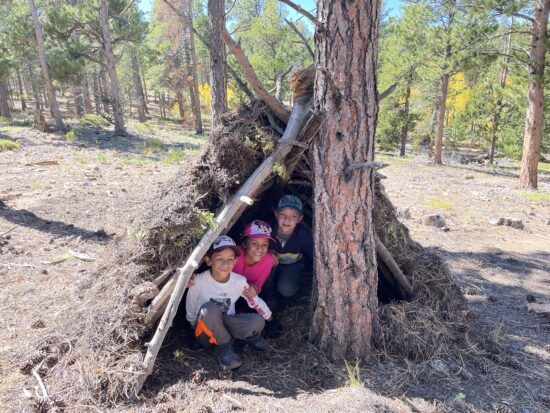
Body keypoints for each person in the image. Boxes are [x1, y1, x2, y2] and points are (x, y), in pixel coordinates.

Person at [185, 235, 272, 370]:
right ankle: (224, 347)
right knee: (210, 309)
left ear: (235, 261)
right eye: (219, 259)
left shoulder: (239, 281)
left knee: (257, 321)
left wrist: (268, 315)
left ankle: (247, 337)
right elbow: (190, 309)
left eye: (230, 259)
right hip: (204, 328)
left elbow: (253, 300)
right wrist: (194, 329)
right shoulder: (198, 281)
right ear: (208, 261)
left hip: (226, 322)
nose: (225, 264)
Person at [263, 194, 313, 337]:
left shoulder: (303, 235)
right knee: (266, 283)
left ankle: (286, 299)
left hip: (292, 266)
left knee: (286, 289)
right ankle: (269, 299)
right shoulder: (267, 228)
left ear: (300, 219)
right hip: (270, 266)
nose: (287, 220)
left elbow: (313, 256)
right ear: (276, 214)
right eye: (283, 214)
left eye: (293, 216)